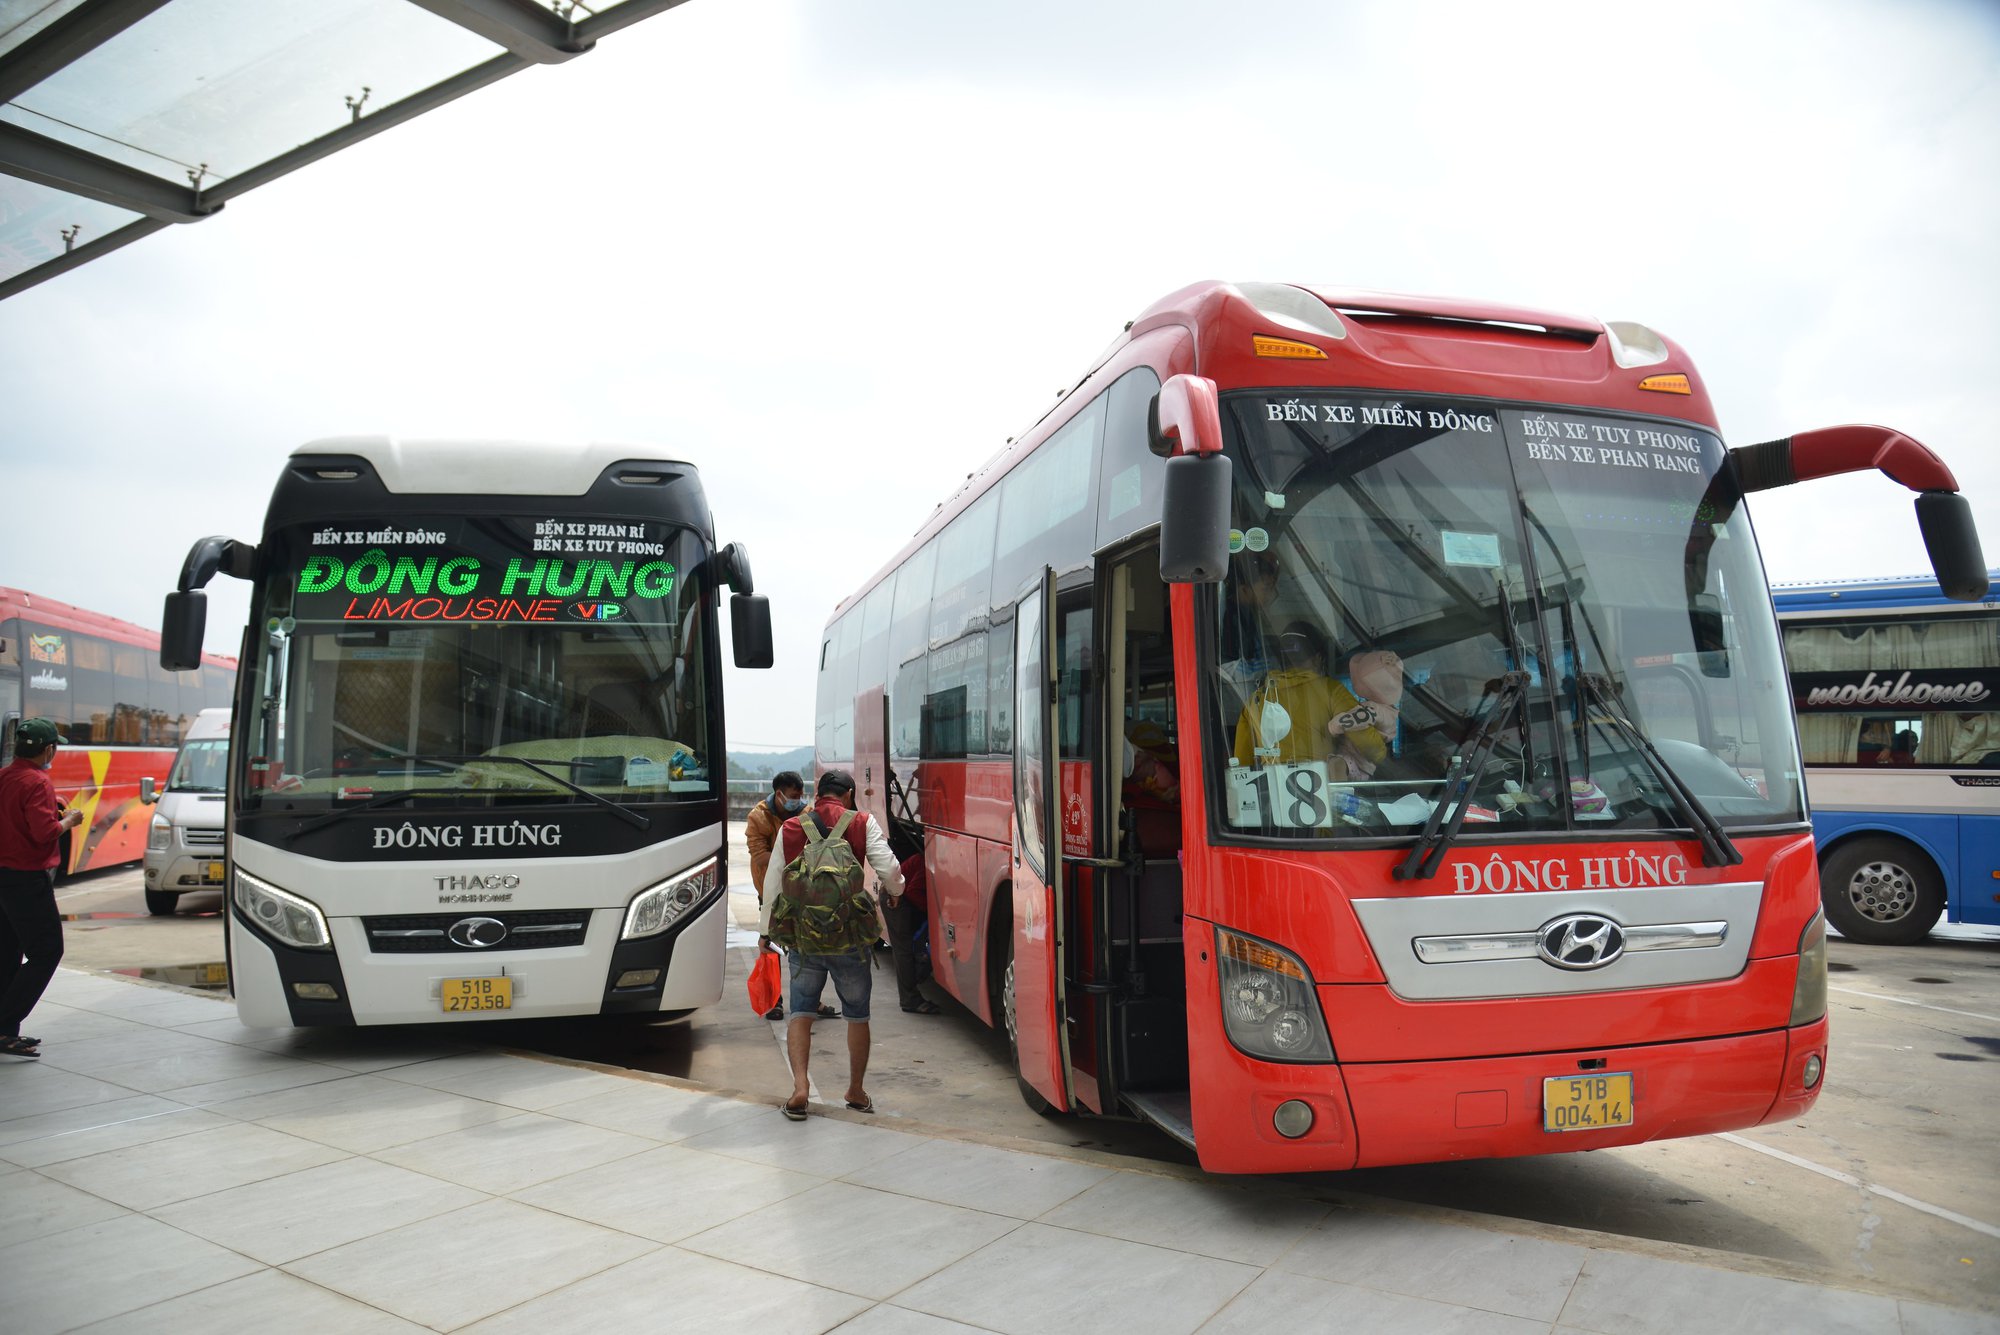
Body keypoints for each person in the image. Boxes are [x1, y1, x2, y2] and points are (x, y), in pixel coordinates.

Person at [759, 768, 903, 1119]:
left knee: (801, 1014)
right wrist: (896, 892)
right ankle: (855, 1091)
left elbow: (773, 883)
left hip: (804, 939)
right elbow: (889, 868)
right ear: (849, 795)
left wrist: (766, 933)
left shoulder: (791, 827)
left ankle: (800, 1088)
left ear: (817, 793)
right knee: (858, 1016)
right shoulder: (862, 822)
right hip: (850, 939)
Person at [0, 720, 84, 1059]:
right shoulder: (37, 782)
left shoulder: (4, 776)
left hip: (3, 877)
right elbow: (43, 833)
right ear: (49, 750)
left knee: (7, 953)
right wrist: (69, 821)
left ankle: (5, 1032)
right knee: (47, 951)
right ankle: (5, 1022)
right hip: (26, 879)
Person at [1231, 621, 1388, 775]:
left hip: (1274, 794)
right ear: (1318, 659)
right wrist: (1382, 753)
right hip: (1320, 790)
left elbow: (1242, 765)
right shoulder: (1330, 690)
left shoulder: (1257, 699)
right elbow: (1367, 742)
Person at [744, 771, 832, 1021]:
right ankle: (774, 1002)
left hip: (802, 893)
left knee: (804, 947)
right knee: (771, 947)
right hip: (770, 891)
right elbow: (759, 857)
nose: (798, 800)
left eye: (800, 795)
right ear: (779, 793)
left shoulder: (806, 814)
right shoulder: (758, 816)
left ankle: (810, 1000)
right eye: (793, 796)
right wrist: (793, 862)